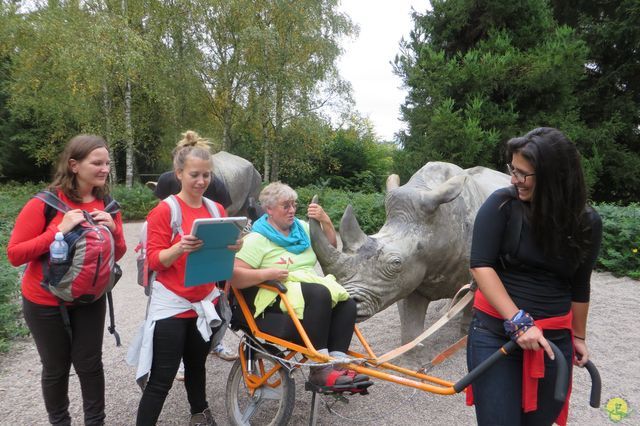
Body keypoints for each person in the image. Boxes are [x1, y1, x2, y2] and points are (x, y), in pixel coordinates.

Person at [466, 127, 603, 426]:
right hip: (495, 335)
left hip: (553, 340)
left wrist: (578, 336)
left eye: (523, 173)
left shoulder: (587, 222)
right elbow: (480, 265)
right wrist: (518, 323)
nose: (514, 179)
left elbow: (579, 285)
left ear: (554, 178)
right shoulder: (502, 205)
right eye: (512, 170)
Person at [7, 134, 127, 425]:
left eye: (107, 163)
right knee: (56, 368)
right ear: (74, 165)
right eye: (96, 163)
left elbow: (117, 253)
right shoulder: (45, 203)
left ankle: (95, 422)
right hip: (44, 300)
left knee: (90, 365)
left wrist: (114, 230)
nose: (104, 169)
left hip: (89, 298)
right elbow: (15, 254)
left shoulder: (108, 204)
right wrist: (57, 231)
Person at [130, 130, 241, 426]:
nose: (202, 181)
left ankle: (200, 415)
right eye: (194, 174)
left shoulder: (215, 208)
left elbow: (219, 255)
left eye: (206, 175)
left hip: (204, 300)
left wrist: (234, 245)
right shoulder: (164, 211)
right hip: (172, 304)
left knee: (196, 366)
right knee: (163, 378)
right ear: (179, 173)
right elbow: (154, 260)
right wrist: (180, 247)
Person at [230, 182, 371, 392]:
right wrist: (267, 273)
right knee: (320, 293)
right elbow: (235, 277)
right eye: (285, 206)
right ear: (269, 209)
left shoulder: (302, 229)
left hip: (304, 291)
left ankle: (337, 362)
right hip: (273, 295)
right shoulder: (257, 239)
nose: (292, 210)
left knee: (347, 301)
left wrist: (326, 221)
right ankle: (319, 369)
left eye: (294, 204)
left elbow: (330, 247)